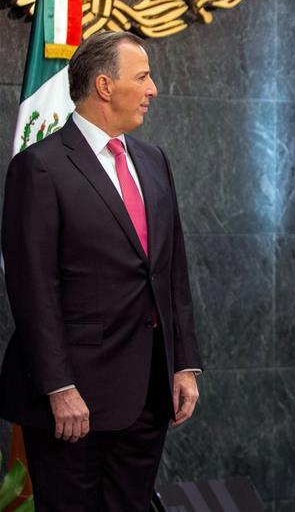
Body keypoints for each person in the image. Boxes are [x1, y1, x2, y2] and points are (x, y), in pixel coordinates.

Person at [0, 31, 203, 511]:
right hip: (74, 402)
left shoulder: (154, 161)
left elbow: (171, 270)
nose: (153, 89)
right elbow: (33, 289)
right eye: (143, 76)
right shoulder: (40, 167)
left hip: (149, 395)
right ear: (105, 86)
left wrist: (184, 364)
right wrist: (59, 386)